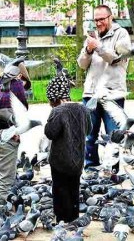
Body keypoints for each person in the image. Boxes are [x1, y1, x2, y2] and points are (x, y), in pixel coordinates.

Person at [77, 4, 131, 171]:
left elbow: (116, 58)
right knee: (88, 135)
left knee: (113, 136)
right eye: (96, 20)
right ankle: (91, 168)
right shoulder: (92, 37)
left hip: (112, 94)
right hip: (91, 93)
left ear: (110, 17)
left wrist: (98, 48)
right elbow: (81, 64)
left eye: (101, 19)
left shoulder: (121, 34)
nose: (98, 23)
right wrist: (88, 49)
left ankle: (111, 171)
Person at [44, 75, 92, 223]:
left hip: (59, 158)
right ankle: (74, 217)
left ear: (54, 98)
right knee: (74, 188)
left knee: (60, 188)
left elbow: (50, 133)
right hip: (78, 158)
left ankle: (62, 218)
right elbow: (89, 130)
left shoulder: (57, 112)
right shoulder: (84, 109)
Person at [0, 70, 30, 206]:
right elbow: (23, 109)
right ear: (20, 75)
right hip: (7, 138)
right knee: (5, 178)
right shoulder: (16, 85)